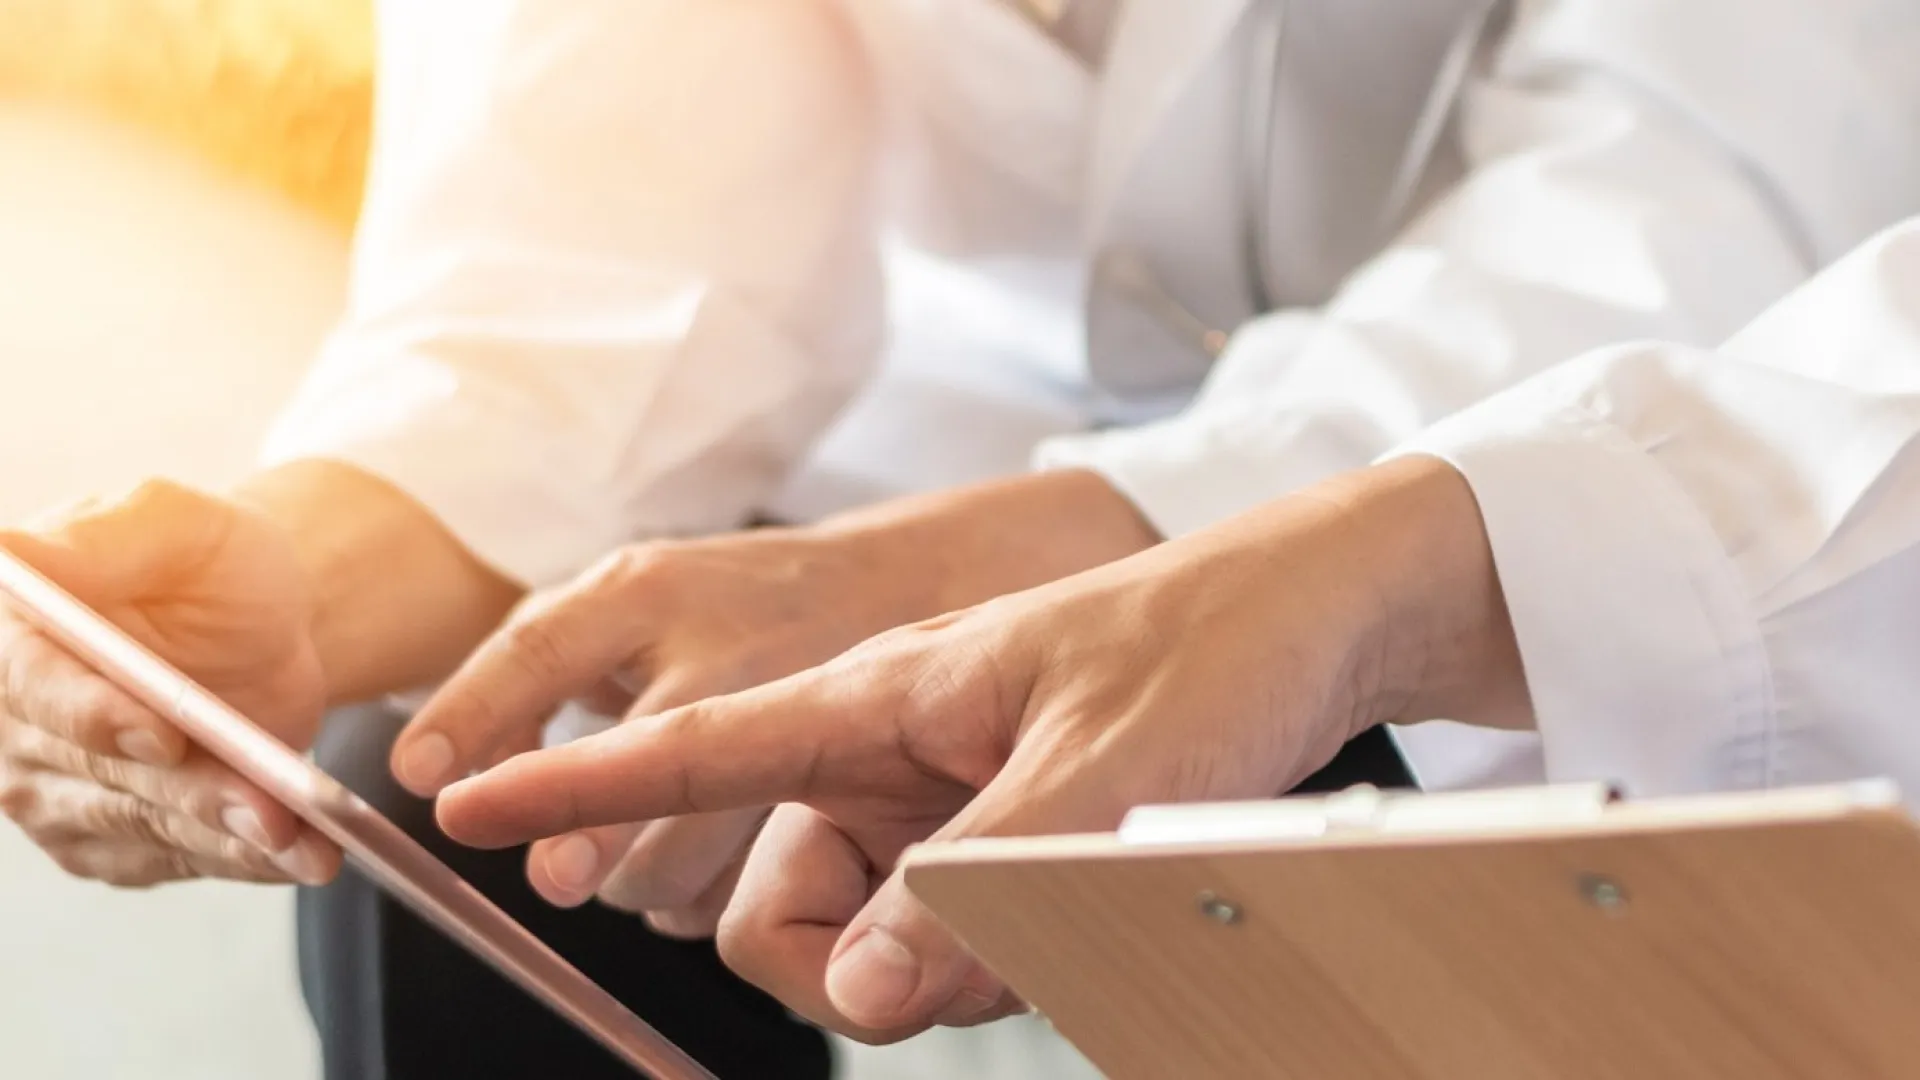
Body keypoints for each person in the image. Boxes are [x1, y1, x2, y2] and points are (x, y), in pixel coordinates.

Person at [3, 0, 1919, 1077]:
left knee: (1395, 778)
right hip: (928, 436)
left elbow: (1673, 217)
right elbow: (591, 219)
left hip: (1550, 431)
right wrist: (304, 567)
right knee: (447, 794)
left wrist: (1071, 572)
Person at [438, 208, 1920, 1042]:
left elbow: (1666, 187)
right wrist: (326, 540)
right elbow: (585, 175)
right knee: (443, 808)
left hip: (1465, 472)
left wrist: (1252, 564)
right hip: (993, 450)